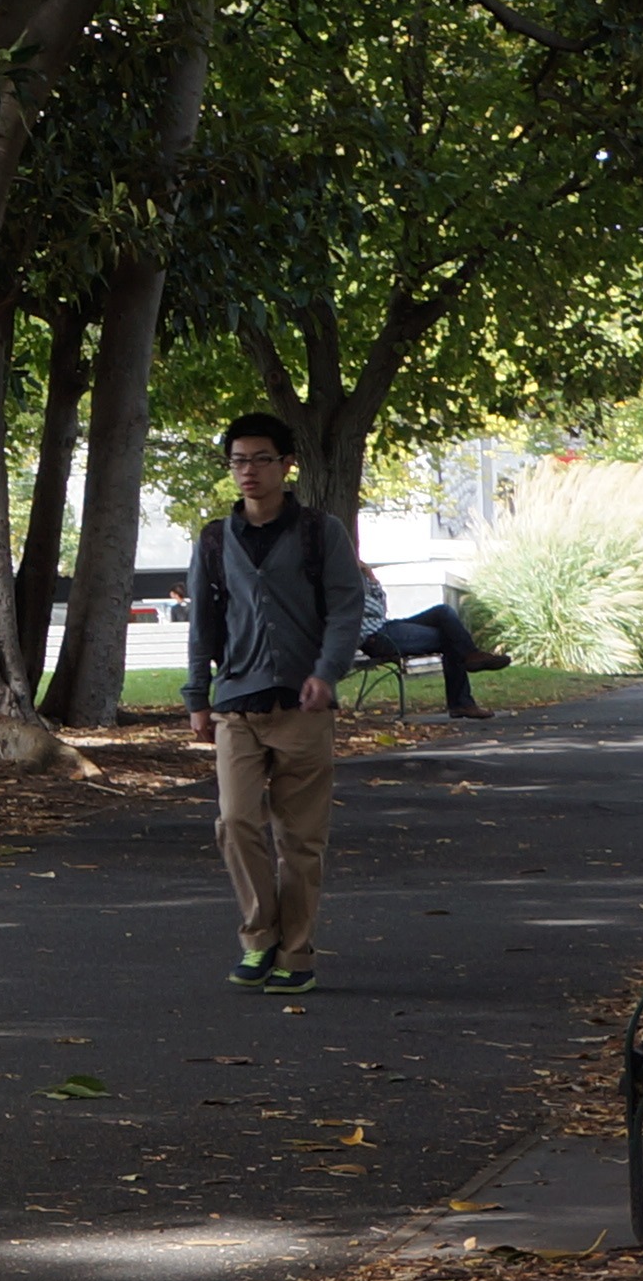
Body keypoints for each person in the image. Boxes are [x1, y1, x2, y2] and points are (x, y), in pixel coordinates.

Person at [184, 410, 364, 995]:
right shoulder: (215, 540)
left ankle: (296, 952)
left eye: (262, 459)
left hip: (303, 707)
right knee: (236, 822)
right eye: (239, 460)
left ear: (287, 465)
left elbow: (344, 607)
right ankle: (259, 936)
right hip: (237, 702)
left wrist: (326, 673)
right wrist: (197, 697)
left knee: (300, 839)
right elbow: (203, 623)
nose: (249, 471)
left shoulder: (319, 531)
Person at [355, 569, 513, 717]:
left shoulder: (358, 574)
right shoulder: (341, 579)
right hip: (376, 637)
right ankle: (462, 699)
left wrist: (370, 575)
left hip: (386, 626)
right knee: (450, 638)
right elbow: (361, 609)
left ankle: (471, 657)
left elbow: (380, 608)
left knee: (443, 612)